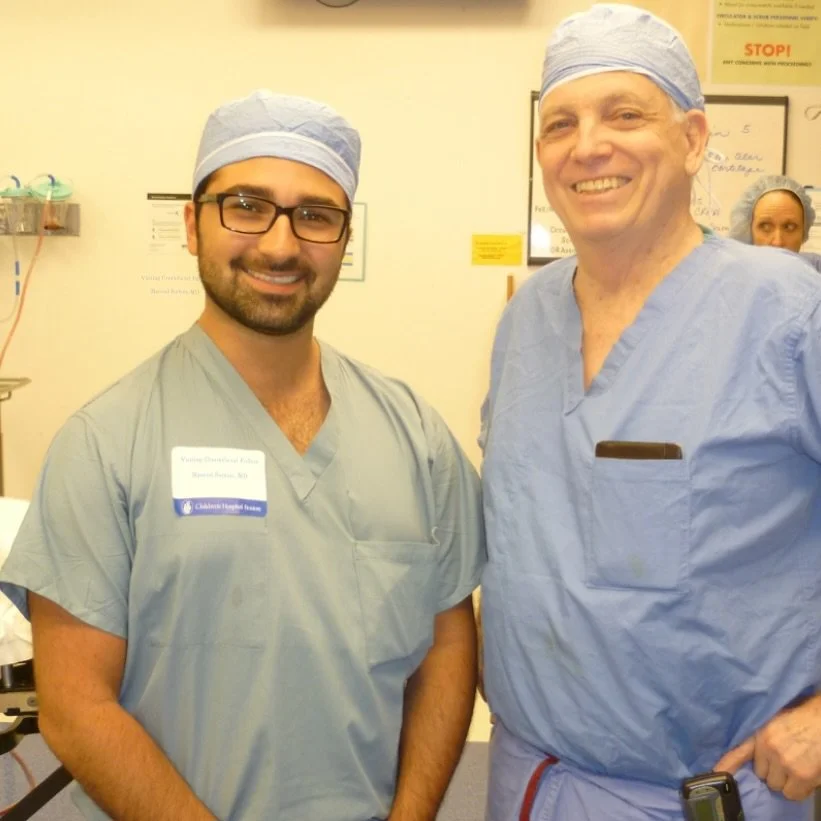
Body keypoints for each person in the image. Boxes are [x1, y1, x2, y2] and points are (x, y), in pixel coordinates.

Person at [0, 90, 485, 821]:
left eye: (314, 215)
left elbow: (448, 647)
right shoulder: (107, 442)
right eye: (247, 205)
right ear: (192, 225)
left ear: (344, 239)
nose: (281, 245)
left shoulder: (412, 435)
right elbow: (76, 707)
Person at [479, 5, 821, 820]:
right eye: (560, 122)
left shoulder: (786, 311)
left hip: (704, 797)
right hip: (529, 779)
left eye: (624, 114)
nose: (587, 144)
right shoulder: (526, 319)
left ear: (693, 139)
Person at [729, 174, 821, 273]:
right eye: (765, 226)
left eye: (789, 227)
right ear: (748, 230)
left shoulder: (815, 274)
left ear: (803, 232)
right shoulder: (730, 281)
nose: (778, 242)